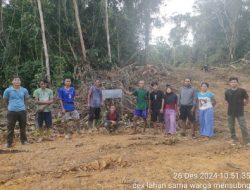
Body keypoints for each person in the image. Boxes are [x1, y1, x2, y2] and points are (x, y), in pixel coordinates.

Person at [3, 76, 29, 148]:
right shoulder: (8, 90)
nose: (17, 81)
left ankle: (24, 141)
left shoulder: (24, 90)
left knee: (23, 127)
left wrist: (25, 107)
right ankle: (9, 143)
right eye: (15, 80)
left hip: (22, 111)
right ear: (12, 82)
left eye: (18, 80)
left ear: (20, 82)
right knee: (10, 127)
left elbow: (26, 99)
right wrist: (9, 107)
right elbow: (5, 99)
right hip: (11, 111)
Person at [225, 77, 249, 146]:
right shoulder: (227, 92)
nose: (233, 83)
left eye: (235, 82)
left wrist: (244, 104)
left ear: (237, 83)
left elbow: (247, 98)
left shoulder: (242, 91)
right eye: (232, 82)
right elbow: (227, 100)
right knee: (231, 126)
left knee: (243, 126)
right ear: (229, 83)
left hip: (240, 112)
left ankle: (246, 141)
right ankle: (234, 139)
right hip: (230, 112)